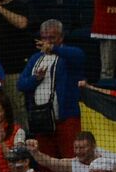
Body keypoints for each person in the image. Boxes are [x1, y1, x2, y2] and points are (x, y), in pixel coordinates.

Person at [17, 19, 85, 158]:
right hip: (42, 121)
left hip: (66, 119)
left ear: (61, 37)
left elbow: (80, 56)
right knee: (46, 163)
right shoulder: (35, 58)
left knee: (71, 160)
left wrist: (54, 49)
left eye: (52, 38)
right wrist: (35, 79)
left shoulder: (68, 57)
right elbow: (21, 84)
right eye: (44, 38)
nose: (47, 42)